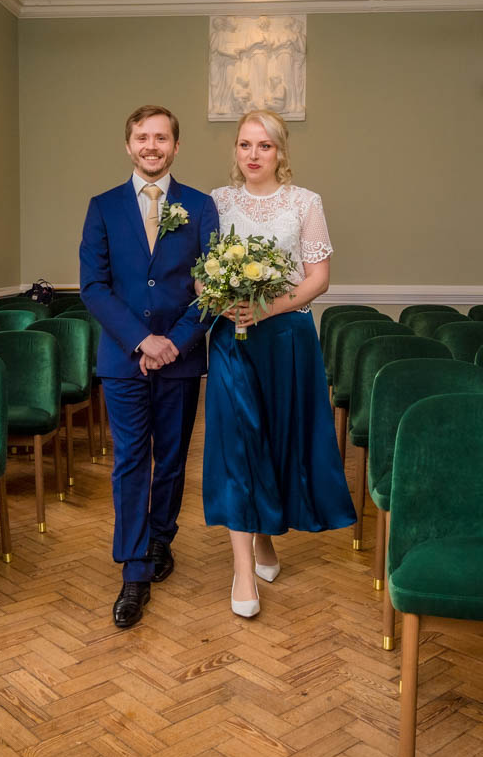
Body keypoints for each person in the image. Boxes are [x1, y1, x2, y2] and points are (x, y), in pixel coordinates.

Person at [202, 110, 355, 618]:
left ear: (280, 152)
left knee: (277, 438)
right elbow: (198, 275)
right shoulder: (216, 204)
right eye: (245, 145)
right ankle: (243, 572)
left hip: (287, 338)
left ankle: (265, 538)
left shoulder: (304, 202)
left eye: (263, 146)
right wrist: (220, 299)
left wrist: (268, 306)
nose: (252, 155)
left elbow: (318, 278)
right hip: (232, 338)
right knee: (237, 443)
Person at [79, 105, 221, 629]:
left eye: (162, 138)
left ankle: (161, 537)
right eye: (143, 137)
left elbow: (214, 289)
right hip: (123, 361)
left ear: (176, 147)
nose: (152, 146)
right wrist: (142, 341)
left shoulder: (201, 208)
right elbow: (94, 287)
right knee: (131, 461)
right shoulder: (103, 207)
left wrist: (173, 344)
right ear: (128, 144)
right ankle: (134, 569)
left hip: (180, 360)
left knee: (175, 460)